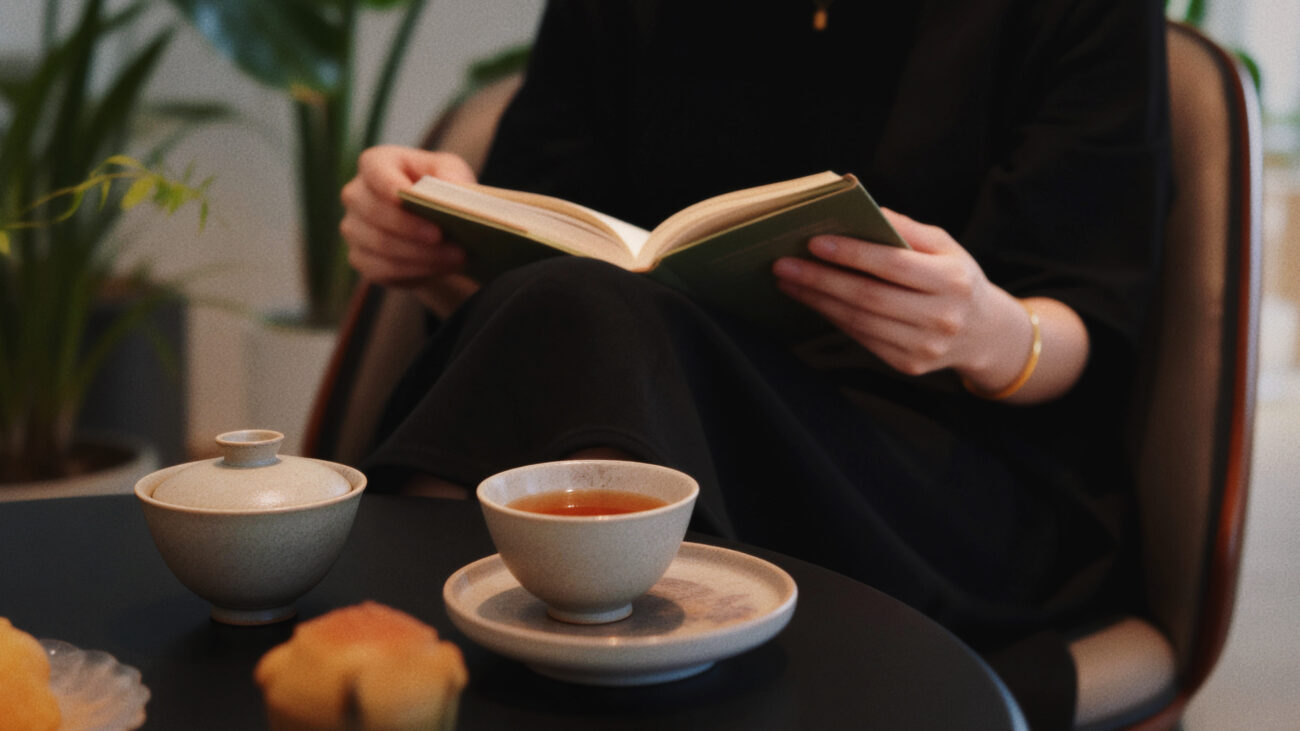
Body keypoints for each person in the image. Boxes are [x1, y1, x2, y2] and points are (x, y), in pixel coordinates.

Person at [339, 1, 1171, 727]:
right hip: (650, 408)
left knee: (595, 328)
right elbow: (535, 270)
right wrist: (428, 243)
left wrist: (984, 329)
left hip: (934, 464)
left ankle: (379, 649)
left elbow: (1094, 318)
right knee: (586, 314)